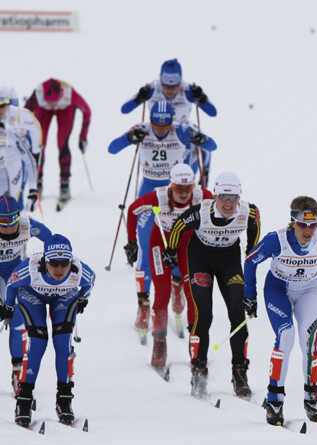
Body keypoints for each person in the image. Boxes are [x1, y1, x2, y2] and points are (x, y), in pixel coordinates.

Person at [108, 101, 216, 339]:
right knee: (148, 250)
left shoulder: (181, 130)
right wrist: (129, 138)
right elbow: (112, 149)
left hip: (180, 193)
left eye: (164, 124)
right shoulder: (142, 128)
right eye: (156, 124)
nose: (159, 129)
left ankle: (177, 288)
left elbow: (212, 145)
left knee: (181, 245)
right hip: (150, 193)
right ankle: (143, 306)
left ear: (171, 120)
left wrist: (200, 139)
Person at [244, 197, 317, 425]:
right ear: (293, 222)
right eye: (302, 225)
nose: (308, 230)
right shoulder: (277, 240)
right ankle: (274, 400)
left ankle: (313, 399)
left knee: (310, 341)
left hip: (309, 290)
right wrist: (249, 295)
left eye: (313, 225)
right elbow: (250, 261)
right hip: (278, 289)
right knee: (286, 336)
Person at [164, 172, 260, 398]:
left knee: (237, 312)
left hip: (229, 261)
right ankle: (199, 370)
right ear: (215, 195)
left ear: (239, 197)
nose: (228, 203)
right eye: (223, 197)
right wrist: (170, 251)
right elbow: (178, 226)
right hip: (200, 259)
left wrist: (251, 276)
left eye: (233, 197)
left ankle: (240, 371)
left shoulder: (249, 212)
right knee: (204, 313)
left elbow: (253, 242)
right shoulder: (201, 212)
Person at [0, 234, 95, 427]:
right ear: (45, 261)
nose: (59, 269)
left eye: (64, 263)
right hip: (32, 295)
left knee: (62, 343)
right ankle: (24, 400)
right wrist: (8, 306)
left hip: (64, 296)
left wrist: (83, 298)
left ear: (70, 261)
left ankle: (64, 399)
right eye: (54, 264)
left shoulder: (79, 270)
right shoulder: (31, 268)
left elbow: (90, 281)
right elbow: (11, 284)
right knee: (38, 342)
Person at [125, 164, 212, 370]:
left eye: (188, 188)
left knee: (194, 293)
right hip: (161, 244)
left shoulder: (202, 196)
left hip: (187, 245)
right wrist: (131, 242)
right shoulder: (159, 196)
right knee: (162, 293)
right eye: (178, 188)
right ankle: (159, 342)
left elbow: (224, 211)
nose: (184, 193)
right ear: (170, 185)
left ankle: (195, 344)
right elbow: (132, 210)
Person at [0, 196, 53, 393]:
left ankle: (17, 370)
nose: (8, 230)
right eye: (3, 226)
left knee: (17, 320)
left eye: (12, 225)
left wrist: (49, 263)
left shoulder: (27, 225)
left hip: (14, 272)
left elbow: (50, 239)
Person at [24, 78, 91, 201]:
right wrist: (25, 136)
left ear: (61, 94)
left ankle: (65, 183)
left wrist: (83, 137)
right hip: (43, 110)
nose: (52, 105)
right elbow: (24, 114)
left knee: (62, 143)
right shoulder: (38, 93)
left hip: (65, 109)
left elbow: (87, 111)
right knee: (39, 144)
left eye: (54, 101)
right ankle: (38, 182)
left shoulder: (70, 94)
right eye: (49, 102)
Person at [121, 58, 217, 124]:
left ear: (180, 82)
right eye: (165, 86)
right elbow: (124, 110)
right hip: (158, 130)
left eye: (175, 86)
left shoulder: (187, 91)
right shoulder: (153, 89)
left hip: (182, 130)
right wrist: (139, 98)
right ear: (160, 81)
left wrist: (202, 98)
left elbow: (213, 113)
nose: (170, 90)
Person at [0, 86, 43, 210]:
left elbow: (36, 130)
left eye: (3, 106)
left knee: (13, 201)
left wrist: (33, 189)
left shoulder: (21, 116)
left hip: (15, 158)